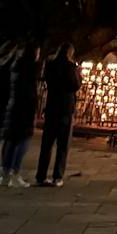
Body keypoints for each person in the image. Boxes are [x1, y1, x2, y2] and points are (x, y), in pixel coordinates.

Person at [36, 44, 82, 187]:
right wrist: (79, 74)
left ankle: (41, 175)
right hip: (65, 108)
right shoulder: (71, 67)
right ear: (70, 53)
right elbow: (75, 85)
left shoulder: (50, 65)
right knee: (62, 145)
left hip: (51, 107)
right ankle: (58, 176)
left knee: (47, 144)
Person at [0, 45, 40, 188]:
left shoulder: (15, 68)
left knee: (11, 140)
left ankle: (6, 172)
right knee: (23, 141)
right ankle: (14, 172)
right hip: (24, 111)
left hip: (14, 108)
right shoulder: (29, 71)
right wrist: (33, 111)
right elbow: (30, 94)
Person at [0, 51, 16, 183]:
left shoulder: (4, 71)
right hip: (5, 109)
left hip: (0, 108)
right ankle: (4, 167)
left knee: (0, 139)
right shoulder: (10, 73)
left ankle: (1, 166)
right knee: (3, 138)